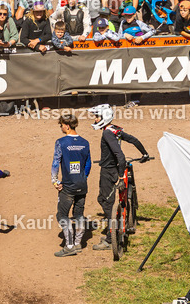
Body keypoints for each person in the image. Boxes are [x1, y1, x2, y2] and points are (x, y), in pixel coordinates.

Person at [90, 103, 148, 250]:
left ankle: (110, 238)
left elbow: (119, 155)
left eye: (97, 116)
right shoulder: (115, 129)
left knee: (105, 201)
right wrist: (144, 153)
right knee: (110, 201)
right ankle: (117, 225)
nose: (95, 119)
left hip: (108, 171)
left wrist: (121, 176)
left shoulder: (107, 133)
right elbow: (133, 139)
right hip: (113, 168)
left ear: (104, 117)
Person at [52, 112, 91, 256]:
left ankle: (69, 247)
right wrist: (82, 177)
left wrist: (55, 181)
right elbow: (88, 165)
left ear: (67, 126)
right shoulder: (85, 142)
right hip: (82, 184)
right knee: (79, 214)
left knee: (62, 215)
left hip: (67, 186)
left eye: (61, 125)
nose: (61, 128)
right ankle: (78, 244)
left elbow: (56, 162)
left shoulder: (61, 142)